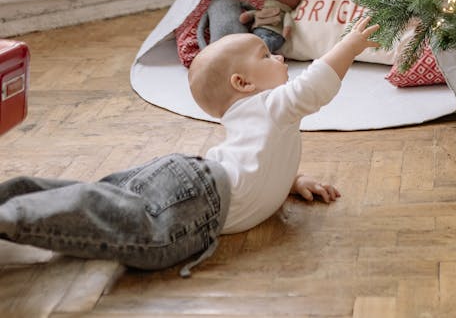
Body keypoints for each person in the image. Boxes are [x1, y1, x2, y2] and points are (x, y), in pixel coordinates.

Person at [0, 15, 380, 276]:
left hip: (195, 182)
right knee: (119, 226)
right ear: (242, 83)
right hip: (200, 195)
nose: (278, 56)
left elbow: (258, 157)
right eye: (265, 55)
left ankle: (13, 198)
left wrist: (292, 180)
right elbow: (314, 86)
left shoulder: (257, 115)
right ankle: (11, 215)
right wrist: (349, 45)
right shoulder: (271, 106)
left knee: (104, 196)